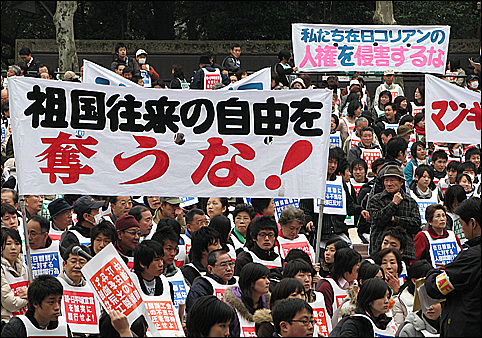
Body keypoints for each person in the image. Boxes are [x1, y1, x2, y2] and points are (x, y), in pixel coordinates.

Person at [424, 197, 480, 337]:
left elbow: (435, 288)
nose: (462, 229)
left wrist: (434, 272)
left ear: (472, 223)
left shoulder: (471, 258)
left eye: (462, 224)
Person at [367, 164, 421, 263]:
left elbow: (416, 224)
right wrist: (393, 204)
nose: (389, 184)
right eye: (386, 180)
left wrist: (394, 219)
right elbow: (377, 219)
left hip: (405, 252)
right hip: (379, 249)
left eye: (392, 180)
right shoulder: (376, 199)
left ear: (401, 182)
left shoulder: (410, 202)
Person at [1, 274, 72, 337]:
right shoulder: (17, 327)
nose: (57, 307)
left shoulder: (63, 327)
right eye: (51, 302)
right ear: (35, 303)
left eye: (59, 301)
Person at [234, 216, 283, 288]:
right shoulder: (245, 259)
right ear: (254, 237)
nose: (267, 239)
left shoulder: (279, 258)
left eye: (270, 235)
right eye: (262, 235)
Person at [224, 262, 271, 337]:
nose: (268, 282)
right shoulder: (230, 309)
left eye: (267, 277)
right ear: (251, 282)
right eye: (263, 278)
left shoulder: (270, 306)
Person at [316, 248, 362, 318]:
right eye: (357, 265)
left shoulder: (356, 284)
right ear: (348, 266)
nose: (359, 268)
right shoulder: (327, 286)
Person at [413, 204, 463, 268]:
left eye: (443, 215)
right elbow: (415, 261)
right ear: (429, 221)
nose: (442, 219)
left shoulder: (452, 235)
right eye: (438, 216)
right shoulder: (422, 236)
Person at [391, 259, 433, 327]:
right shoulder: (399, 301)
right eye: (426, 279)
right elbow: (399, 328)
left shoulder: (437, 298)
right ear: (414, 281)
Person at [1, 228, 28, 324]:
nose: (13, 247)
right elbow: (10, 303)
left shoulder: (25, 267)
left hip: (27, 319)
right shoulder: (1, 269)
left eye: (17, 243)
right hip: (7, 322)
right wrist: (31, 296)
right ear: (1, 247)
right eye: (8, 244)